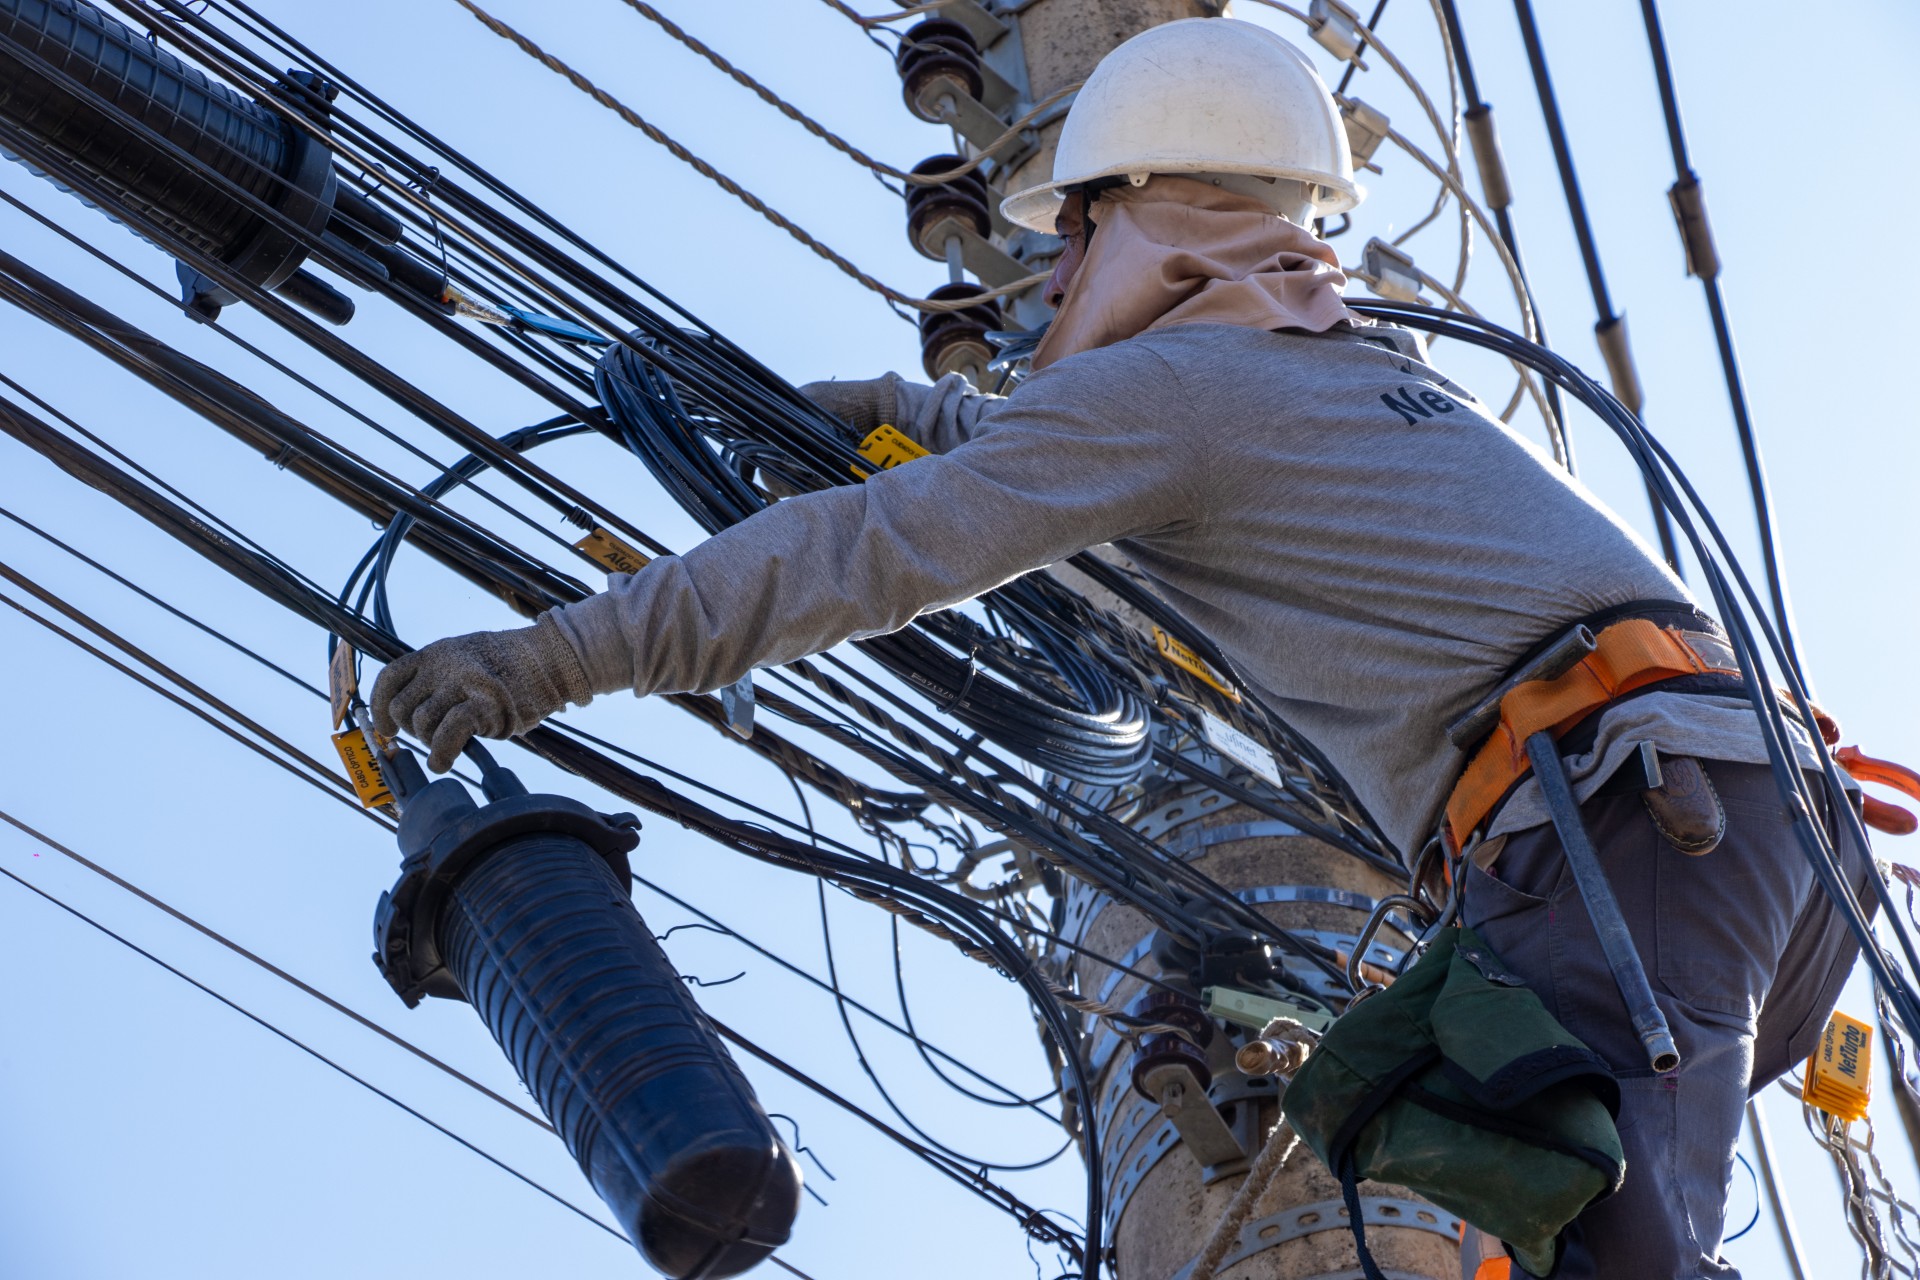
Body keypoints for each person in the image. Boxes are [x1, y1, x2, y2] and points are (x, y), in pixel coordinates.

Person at [373, 18, 1865, 1278]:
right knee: (1500, 1206)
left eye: (1080, 222)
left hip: (1627, 826)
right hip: (1737, 839)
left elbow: (873, 548)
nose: (1066, 257)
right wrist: (892, 409)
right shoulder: (1337, 365)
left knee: (1596, 1249)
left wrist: (540, 662)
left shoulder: (1182, 398)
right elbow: (1088, 448)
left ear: (1148, 208)